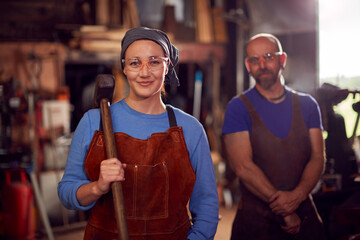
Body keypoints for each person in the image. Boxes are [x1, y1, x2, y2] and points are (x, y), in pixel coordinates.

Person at [58, 26, 219, 240]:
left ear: (167, 65)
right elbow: (66, 192)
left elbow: (207, 205)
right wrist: (98, 187)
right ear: (124, 68)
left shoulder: (190, 129)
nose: (144, 72)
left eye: (154, 62)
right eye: (135, 63)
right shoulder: (93, 122)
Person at [222, 33, 326, 240]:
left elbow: (317, 157)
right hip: (256, 223)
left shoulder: (308, 105)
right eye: (254, 59)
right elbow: (244, 167)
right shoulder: (238, 107)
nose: (262, 64)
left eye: (268, 56)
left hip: (304, 217)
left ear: (282, 59)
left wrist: (296, 197)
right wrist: (286, 211)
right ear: (248, 65)